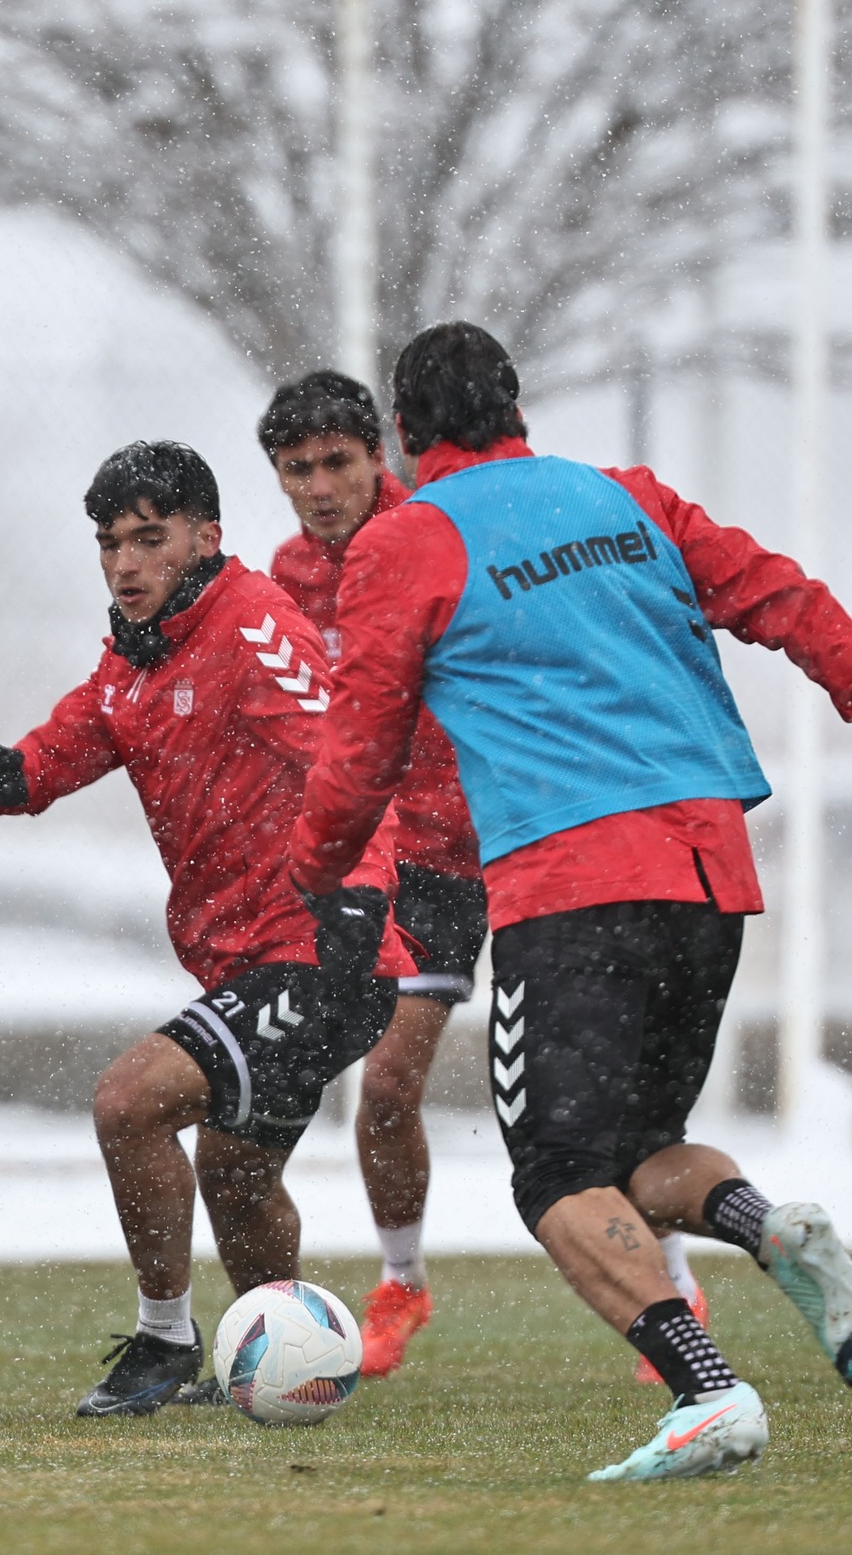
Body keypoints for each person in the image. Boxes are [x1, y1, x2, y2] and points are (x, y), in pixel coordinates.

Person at [290, 324, 852, 1481]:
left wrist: (323, 882)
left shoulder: (410, 538)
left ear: (405, 437)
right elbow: (791, 603)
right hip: (707, 869)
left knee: (553, 1173)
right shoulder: (629, 499)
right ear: (515, 406)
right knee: (636, 1149)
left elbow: (358, 752)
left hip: (570, 885)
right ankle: (774, 1227)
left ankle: (704, 1391)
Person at [0, 440, 414, 1417]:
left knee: (129, 1101)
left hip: (323, 954)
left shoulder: (249, 621)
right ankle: (286, 1361)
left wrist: (361, 895)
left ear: (204, 538)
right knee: (234, 1174)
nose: (124, 563)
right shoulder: (134, 654)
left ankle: (161, 1341)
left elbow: (344, 758)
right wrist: (15, 774)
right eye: (110, 543)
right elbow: (82, 729)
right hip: (246, 964)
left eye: (147, 539)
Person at [260, 370, 709, 1385]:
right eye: (300, 468)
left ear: (383, 453)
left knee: (608, 1094)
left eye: (340, 460)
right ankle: (400, 1281)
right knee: (385, 1085)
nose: (322, 484)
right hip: (420, 864)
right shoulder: (287, 576)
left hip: (531, 838)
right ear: (279, 477)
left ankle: (672, 1284)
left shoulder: (439, 528)